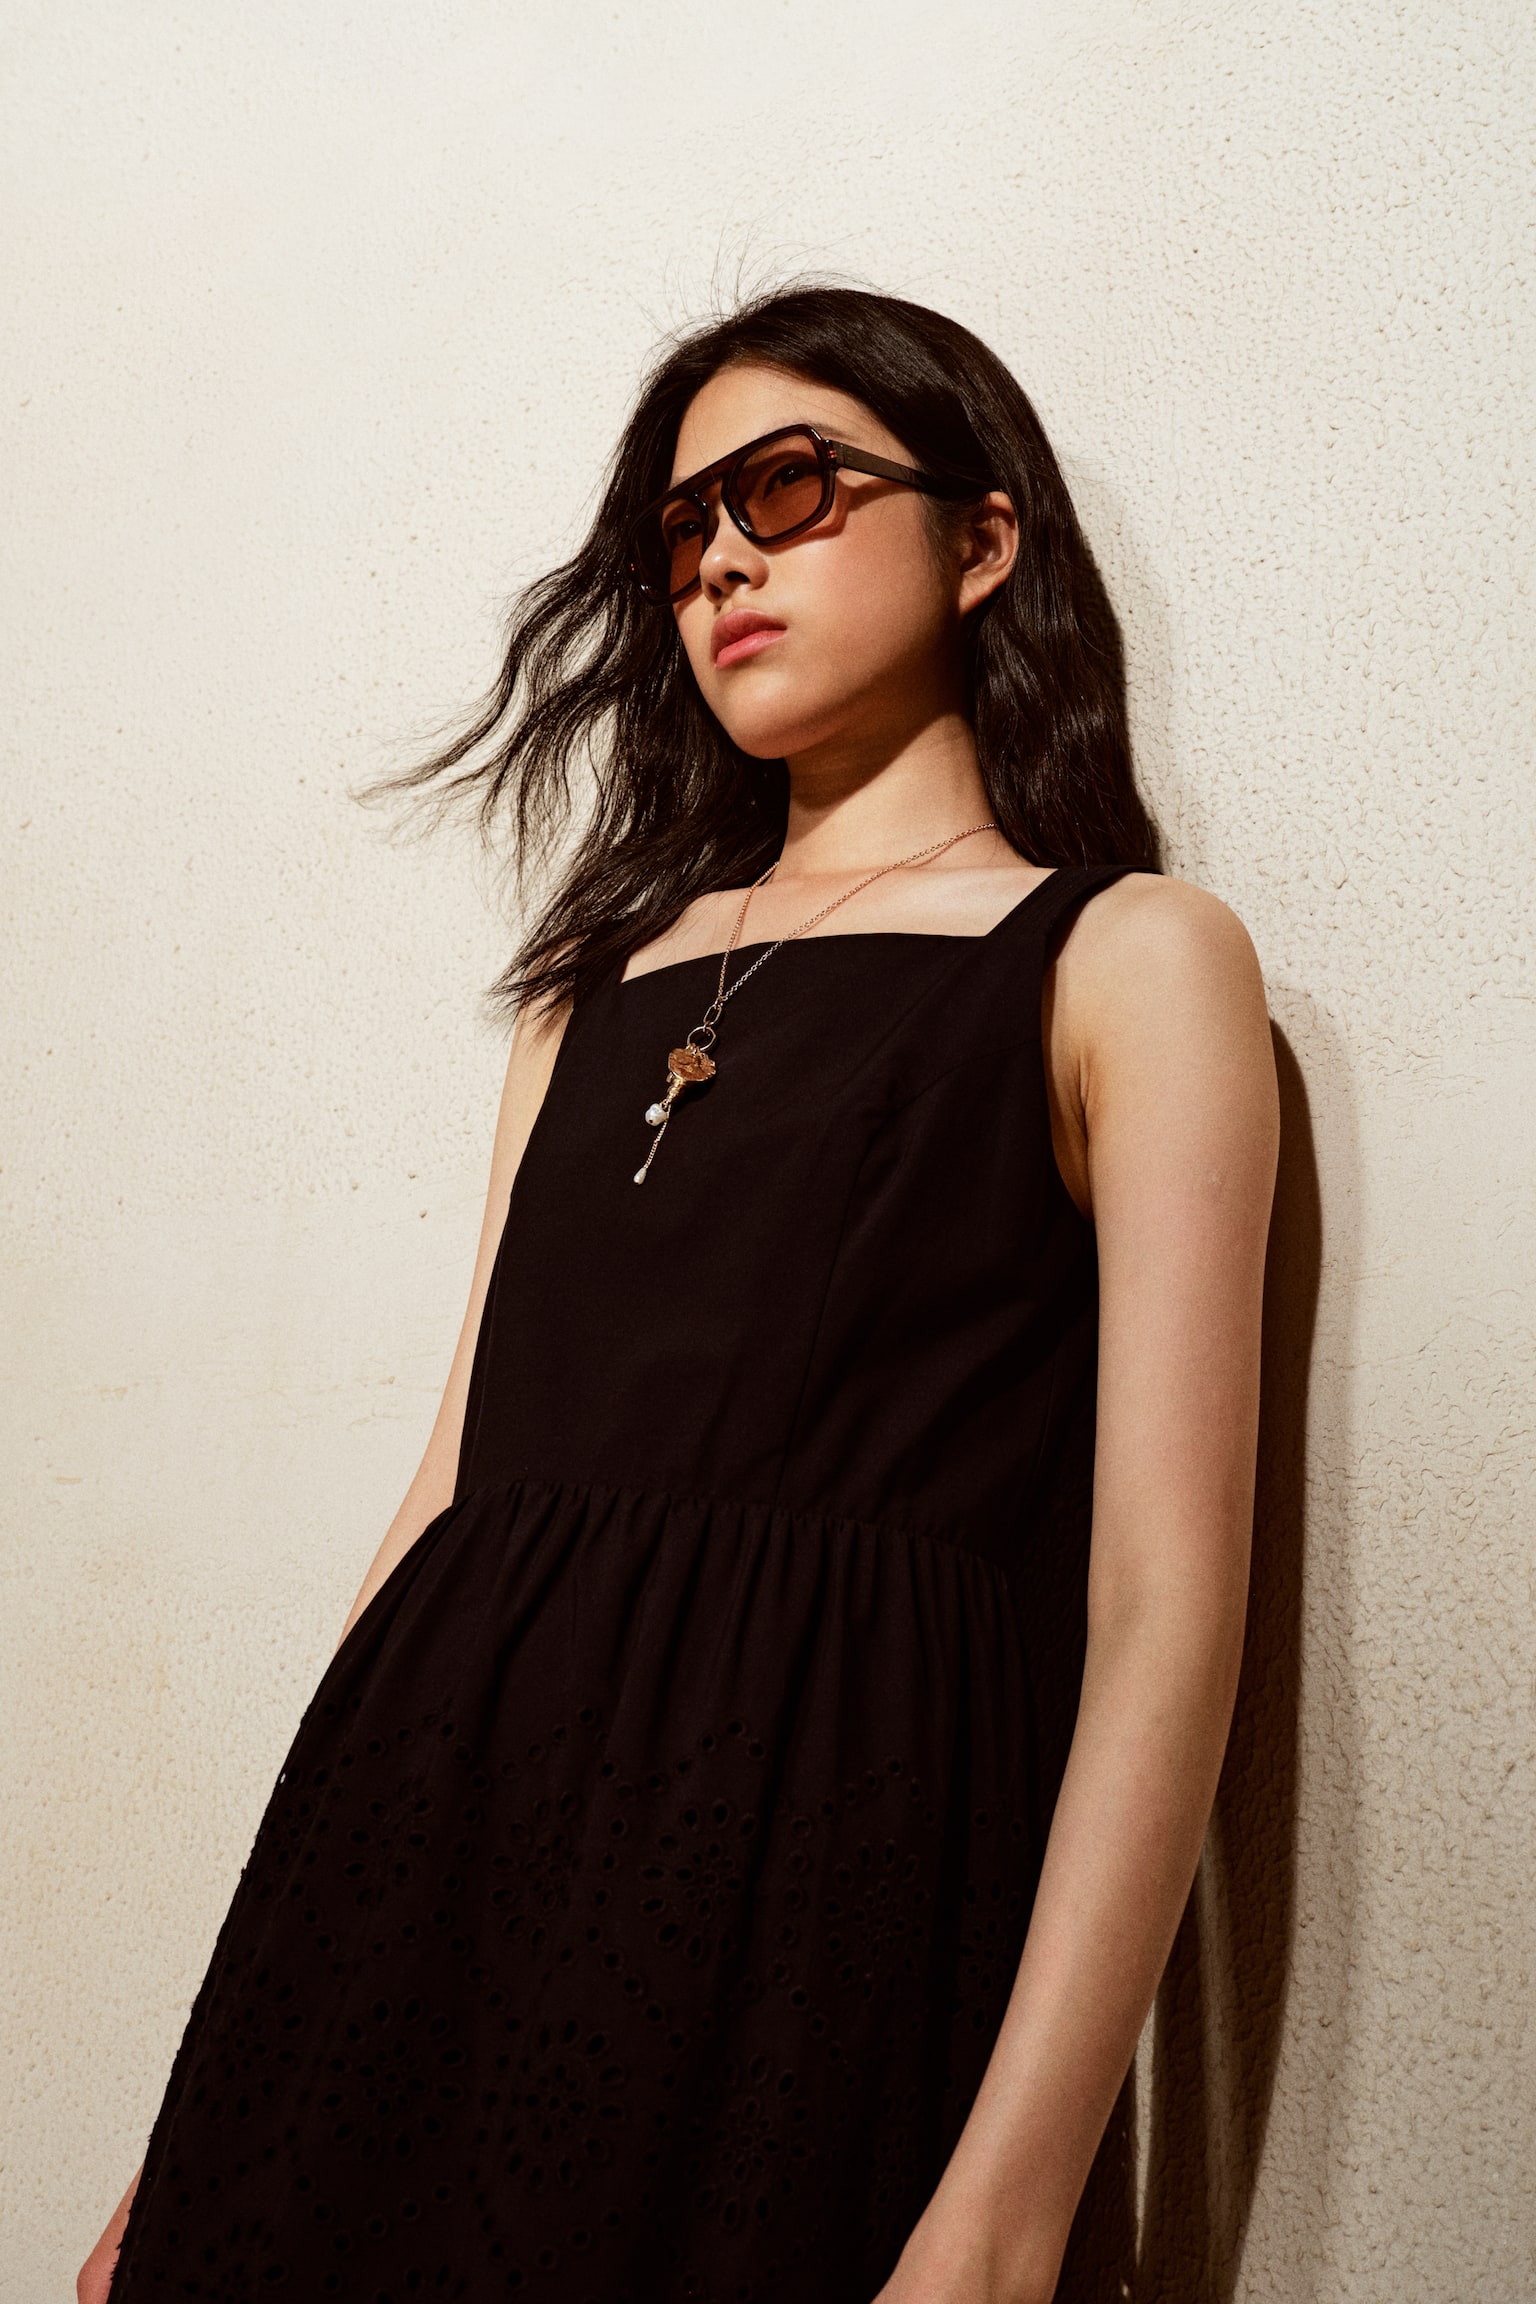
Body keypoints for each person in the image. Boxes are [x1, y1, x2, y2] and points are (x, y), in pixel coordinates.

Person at [81, 285, 1278, 2304]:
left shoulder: (1127, 960)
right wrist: (213, 2095)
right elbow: (449, 1499)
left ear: (983, 539)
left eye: (787, 488)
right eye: (683, 524)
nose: (720, 554)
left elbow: (1168, 1601)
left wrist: (1007, 2211)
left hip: (806, 1922)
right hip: (421, 1894)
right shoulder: (592, 994)